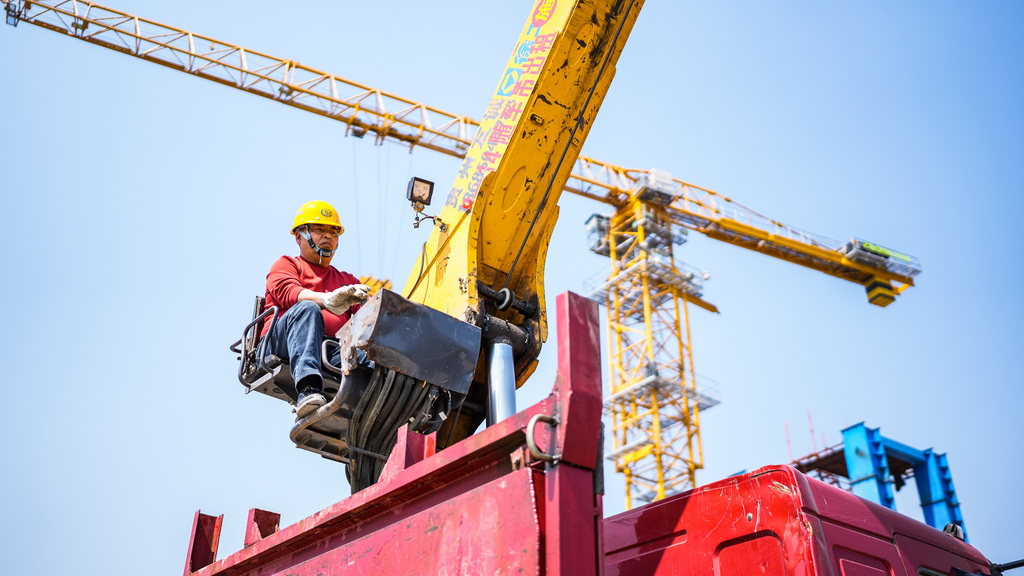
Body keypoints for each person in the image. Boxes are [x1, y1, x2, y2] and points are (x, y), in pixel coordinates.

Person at [262, 200, 371, 418]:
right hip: (281, 342)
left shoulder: (346, 280)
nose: (328, 236)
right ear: (299, 236)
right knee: (307, 309)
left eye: (333, 231)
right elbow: (289, 293)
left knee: (373, 355)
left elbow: (370, 317)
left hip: (328, 349)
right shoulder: (287, 264)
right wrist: (326, 299)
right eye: (319, 229)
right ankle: (308, 389)